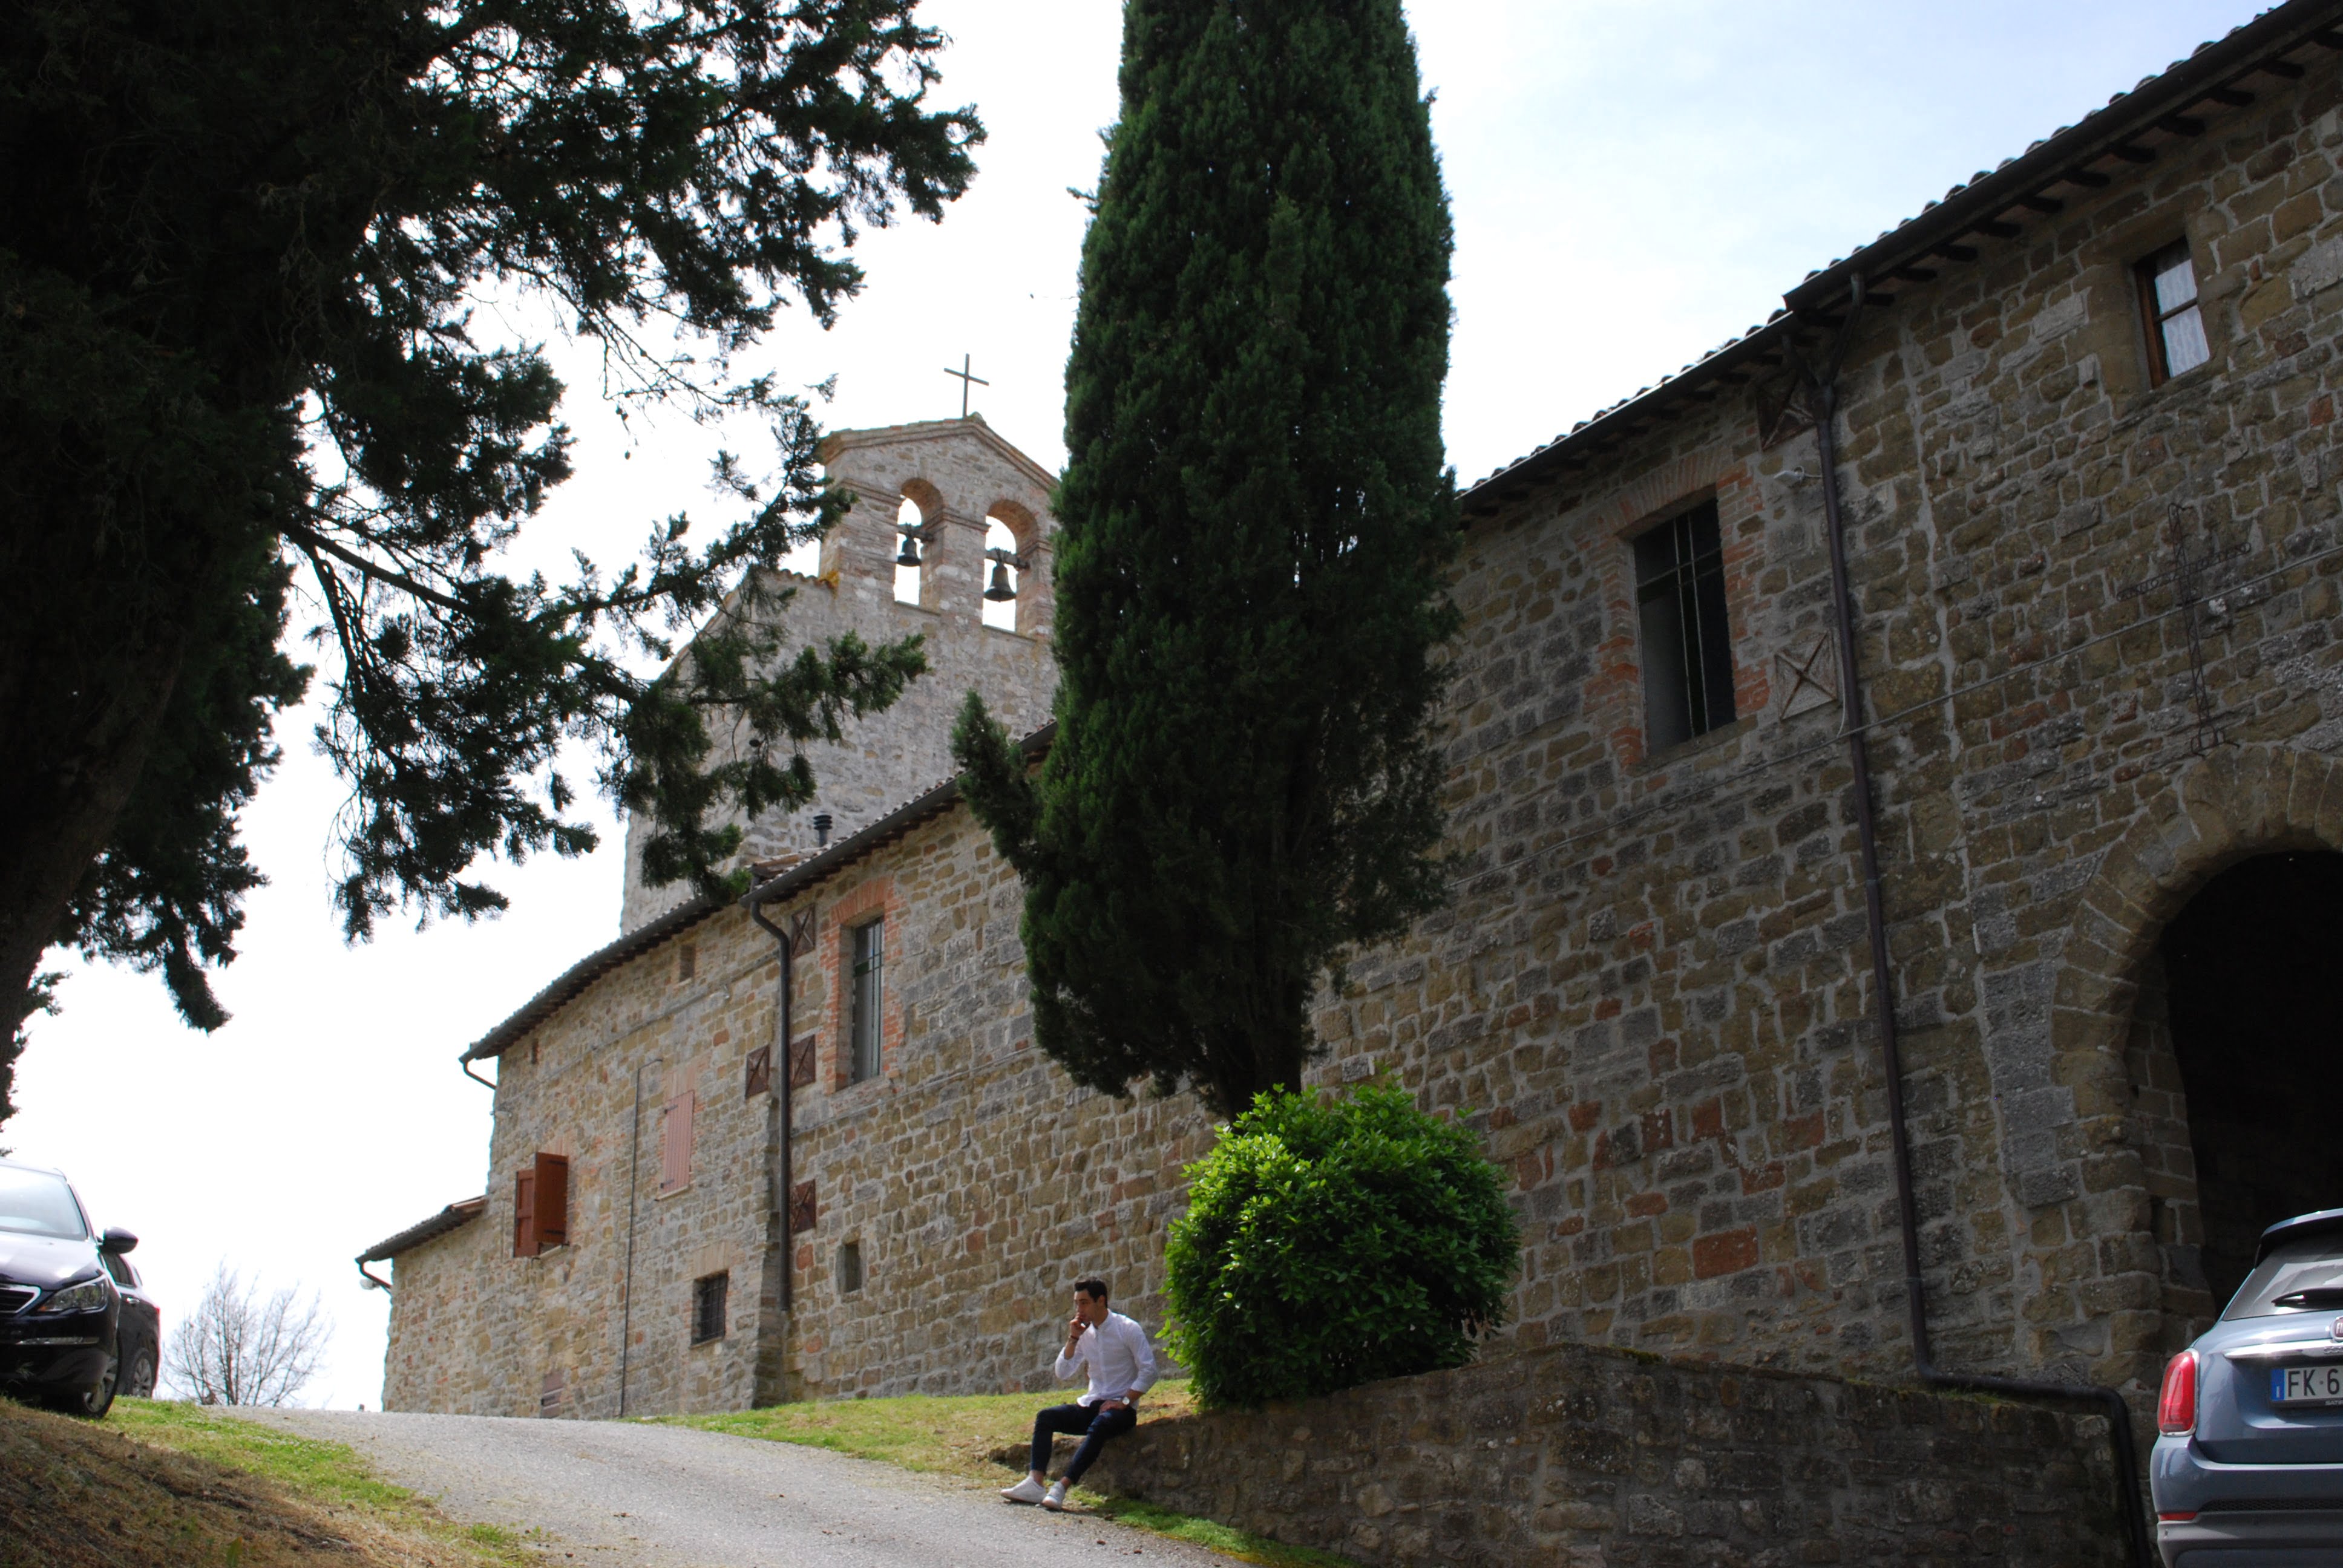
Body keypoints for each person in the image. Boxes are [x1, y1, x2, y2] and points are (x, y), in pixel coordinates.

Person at [1001, 1277, 1156, 1511]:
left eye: (1084, 1303)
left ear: (1101, 1301)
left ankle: (1061, 1487)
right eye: (1077, 1303)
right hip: (1091, 1405)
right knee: (1046, 1417)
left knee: (1101, 1424)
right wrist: (1073, 1338)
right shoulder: (1085, 1334)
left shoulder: (1127, 1328)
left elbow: (1150, 1370)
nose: (1079, 1310)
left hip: (1121, 1410)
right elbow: (1063, 1372)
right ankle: (1035, 1483)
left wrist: (1125, 1401)